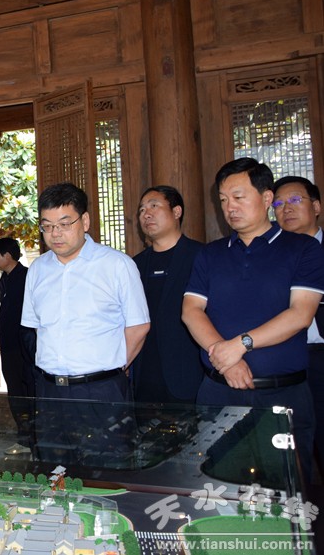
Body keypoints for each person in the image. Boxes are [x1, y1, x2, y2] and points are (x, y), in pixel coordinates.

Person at [182, 159, 324, 482]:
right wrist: (225, 358)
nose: (229, 207)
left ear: (266, 198)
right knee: (218, 491)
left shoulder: (302, 249)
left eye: (238, 197)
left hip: (281, 396)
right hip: (219, 394)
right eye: (223, 200)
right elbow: (191, 311)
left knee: (285, 494)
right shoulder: (210, 254)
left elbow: (300, 314)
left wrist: (241, 345)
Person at [21, 183, 149, 466]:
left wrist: (111, 369)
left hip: (101, 392)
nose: (55, 233)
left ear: (85, 221)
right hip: (50, 392)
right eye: (47, 226)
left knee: (107, 473)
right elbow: (36, 328)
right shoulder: (37, 270)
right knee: (54, 474)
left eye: (64, 224)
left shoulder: (117, 265)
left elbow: (138, 327)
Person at [131, 186, 204, 405]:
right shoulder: (135, 265)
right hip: (143, 378)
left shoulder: (202, 256)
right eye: (142, 210)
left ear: (177, 211)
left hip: (189, 376)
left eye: (154, 206)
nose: (146, 214)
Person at [272, 175, 324, 475]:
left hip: (321, 355)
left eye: (294, 200)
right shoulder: (270, 257)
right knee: (292, 456)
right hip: (286, 362)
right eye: (278, 204)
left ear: (316, 206)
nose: (286, 208)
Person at [0, 237, 36, 449]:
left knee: (27, 391)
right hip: (8, 345)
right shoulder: (4, 279)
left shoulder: (27, 277)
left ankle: (33, 437)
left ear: (7, 255)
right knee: (14, 391)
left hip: (24, 347)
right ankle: (22, 435)